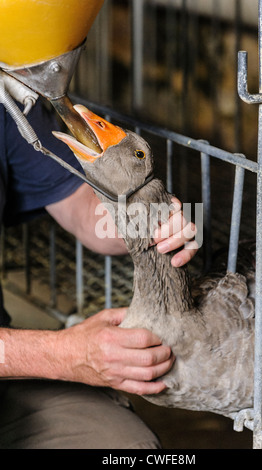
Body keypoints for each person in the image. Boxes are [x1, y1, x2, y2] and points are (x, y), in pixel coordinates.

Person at [0, 99, 198, 449]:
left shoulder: (8, 105)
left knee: (126, 445)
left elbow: (84, 213)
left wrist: (144, 218)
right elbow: (58, 355)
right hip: (12, 357)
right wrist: (61, 354)